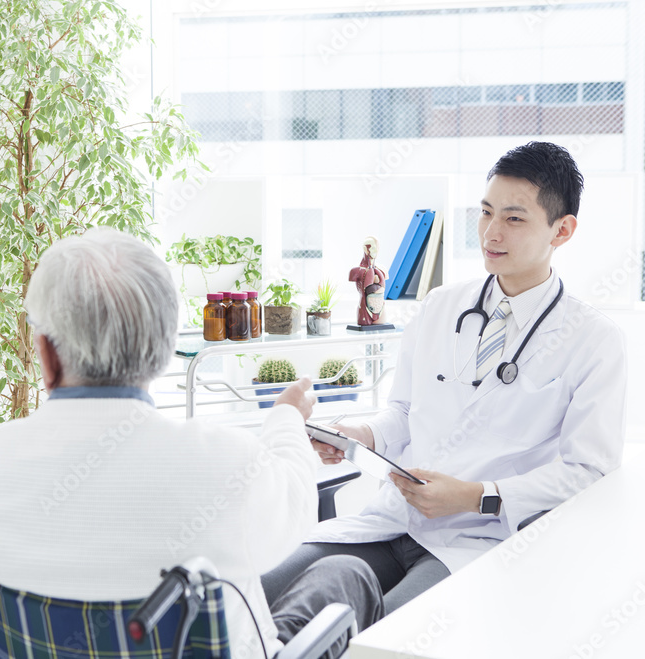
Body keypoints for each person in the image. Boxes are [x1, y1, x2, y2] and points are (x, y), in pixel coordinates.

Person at [0, 227, 384, 659]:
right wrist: (288, 415)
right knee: (347, 574)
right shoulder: (226, 463)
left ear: (46, 356)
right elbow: (296, 500)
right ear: (162, 348)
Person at [263, 141, 627, 613]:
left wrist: (477, 497)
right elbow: (405, 413)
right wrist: (362, 434)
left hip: (479, 538)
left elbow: (588, 472)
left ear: (563, 230)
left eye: (514, 219)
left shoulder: (594, 341)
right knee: (253, 596)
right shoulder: (440, 307)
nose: (491, 233)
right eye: (485, 213)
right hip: (393, 520)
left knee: (383, 633)